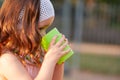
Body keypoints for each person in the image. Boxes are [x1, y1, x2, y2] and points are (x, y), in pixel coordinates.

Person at [0, 0, 71, 80]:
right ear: (18, 26)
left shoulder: (33, 55)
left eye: (46, 28)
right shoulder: (7, 60)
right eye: (40, 29)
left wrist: (58, 61)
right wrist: (49, 60)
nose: (43, 34)